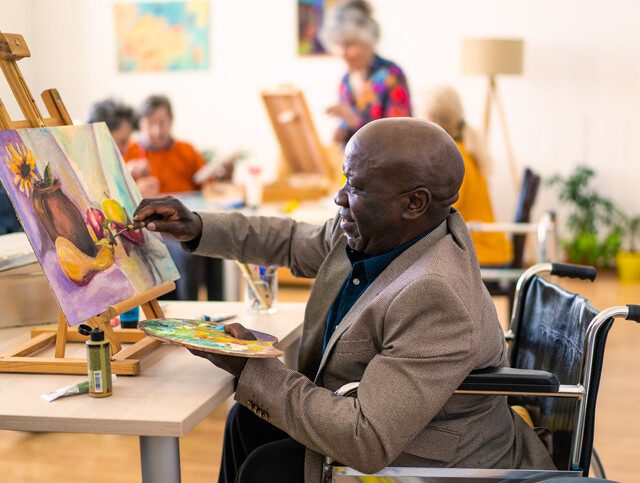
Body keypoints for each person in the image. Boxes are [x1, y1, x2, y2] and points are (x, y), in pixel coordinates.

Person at [134, 118, 555, 482]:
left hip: (436, 463)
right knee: (247, 421)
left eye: (355, 187)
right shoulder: (382, 230)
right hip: (382, 427)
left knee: (268, 468)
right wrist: (196, 227)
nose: (339, 198)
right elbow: (291, 241)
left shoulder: (436, 295)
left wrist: (252, 366)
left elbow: (367, 438)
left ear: (415, 202)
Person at [424, 85, 513, 266]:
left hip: (479, 250)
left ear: (430, 119)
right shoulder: (466, 150)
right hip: (489, 246)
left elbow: (443, 214)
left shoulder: (454, 159)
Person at [321, 0, 412, 145]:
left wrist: (352, 119)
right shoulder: (345, 81)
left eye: (350, 44)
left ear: (368, 40)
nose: (343, 53)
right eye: (339, 44)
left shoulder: (391, 75)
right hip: (353, 165)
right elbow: (349, 130)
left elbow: (399, 137)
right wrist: (341, 132)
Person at [87, 98, 161, 198]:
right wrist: (133, 195)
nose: (126, 149)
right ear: (100, 135)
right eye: (122, 142)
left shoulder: (110, 166)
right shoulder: (87, 172)